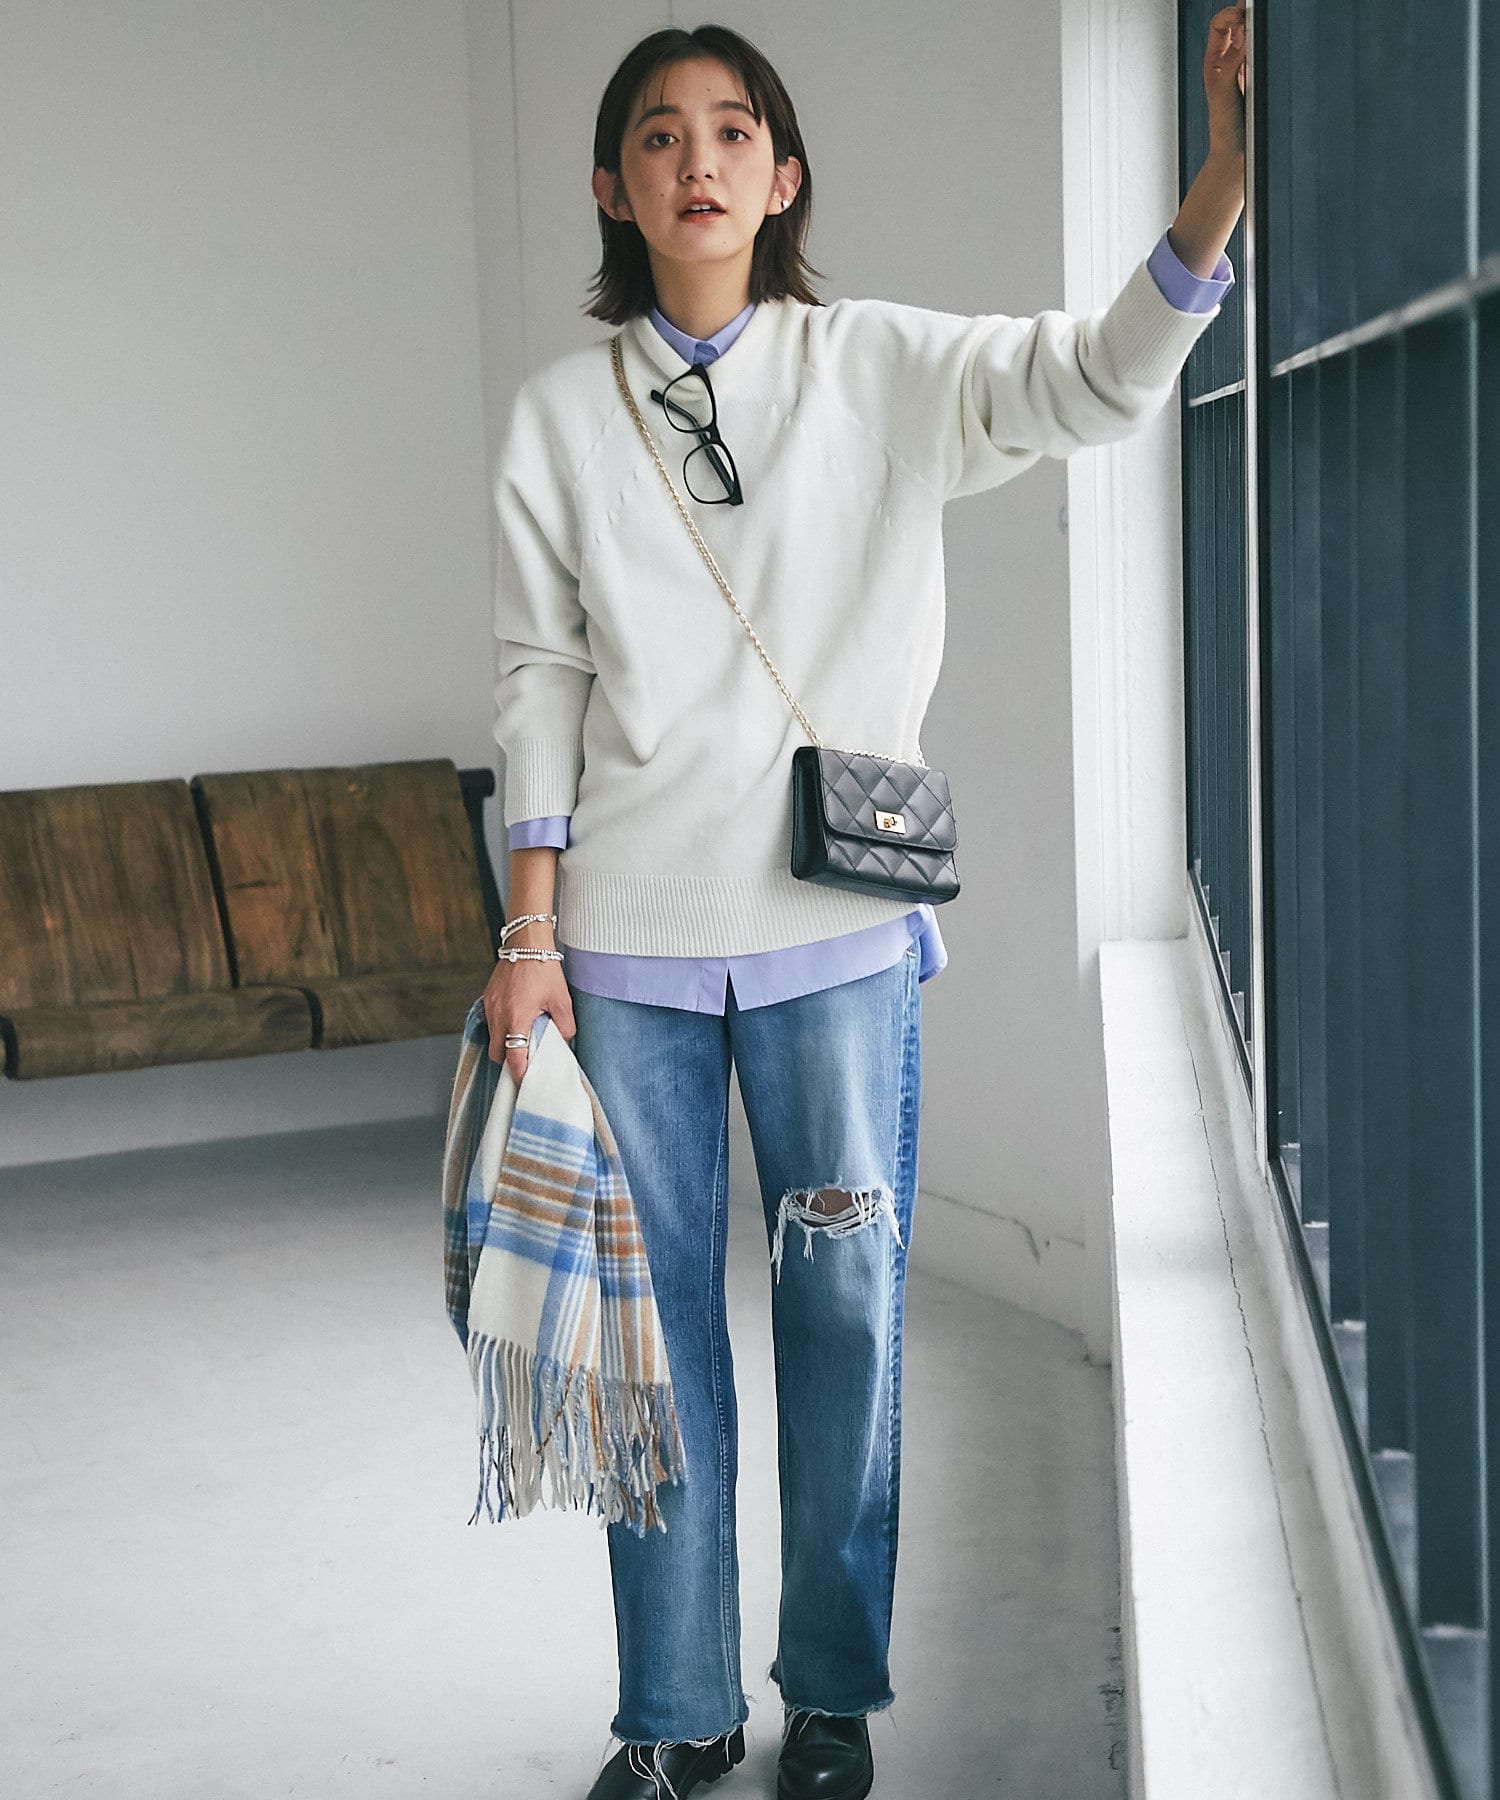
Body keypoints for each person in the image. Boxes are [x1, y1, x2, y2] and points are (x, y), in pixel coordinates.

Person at [480, 17, 1246, 1798]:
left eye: (732, 129)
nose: (698, 159)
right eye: (658, 135)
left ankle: (832, 1695)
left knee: (843, 1322)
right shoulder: (556, 418)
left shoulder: (881, 365)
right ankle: (675, 1715)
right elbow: (539, 679)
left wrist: (1222, 180)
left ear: (784, 176)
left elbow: (1096, 382)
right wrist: (528, 938)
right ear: (611, 186)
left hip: (832, 946)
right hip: (624, 956)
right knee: (651, 1344)